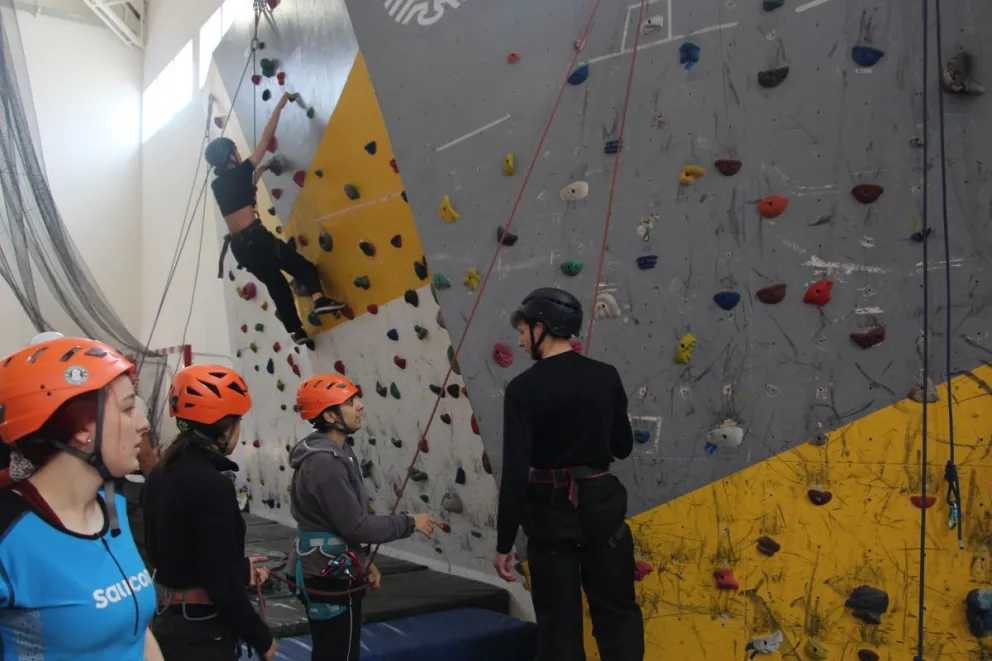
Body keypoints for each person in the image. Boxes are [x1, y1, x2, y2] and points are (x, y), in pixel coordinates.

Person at [493, 287, 644, 661]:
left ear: (542, 327)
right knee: (618, 616)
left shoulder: (522, 389)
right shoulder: (605, 376)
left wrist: (503, 542)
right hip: (602, 513)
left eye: (524, 330)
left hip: (550, 521)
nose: (520, 338)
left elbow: (514, 472)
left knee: (558, 626)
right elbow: (622, 446)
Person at [0, 336, 163, 659]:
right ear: (82, 430)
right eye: (129, 408)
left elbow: (139, 634)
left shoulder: (113, 509)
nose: (144, 424)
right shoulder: (8, 534)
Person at [287, 373, 443, 661]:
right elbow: (356, 525)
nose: (360, 406)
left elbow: (340, 522)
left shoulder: (337, 451)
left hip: (329, 566)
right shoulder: (325, 463)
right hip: (327, 574)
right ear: (331, 415)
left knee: (336, 653)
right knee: (338, 655)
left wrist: (359, 562)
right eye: (350, 402)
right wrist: (411, 522)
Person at [142, 364, 276, 661]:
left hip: (168, 624)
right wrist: (261, 637)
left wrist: (240, 568)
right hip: (202, 634)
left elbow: (182, 554)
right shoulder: (211, 485)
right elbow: (221, 584)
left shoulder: (160, 475)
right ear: (224, 426)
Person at [206, 90, 344, 350]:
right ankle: (319, 299)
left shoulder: (219, 186)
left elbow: (245, 188)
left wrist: (265, 168)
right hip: (257, 239)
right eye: (234, 151)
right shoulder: (242, 172)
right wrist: (280, 105)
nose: (238, 154)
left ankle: (296, 331)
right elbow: (266, 137)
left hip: (241, 249)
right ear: (229, 157)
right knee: (302, 266)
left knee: (277, 285)